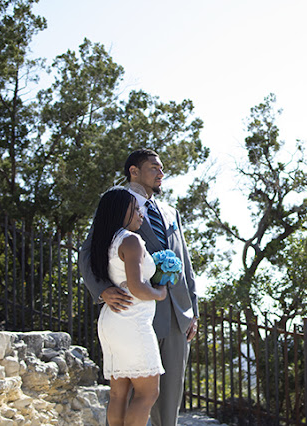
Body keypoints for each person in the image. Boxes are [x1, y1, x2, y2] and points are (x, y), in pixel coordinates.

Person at [79, 149, 199, 426]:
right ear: (134, 171)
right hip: (134, 312)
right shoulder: (117, 205)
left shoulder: (170, 212)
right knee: (134, 391)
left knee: (169, 396)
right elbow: (88, 251)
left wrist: (193, 310)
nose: (161, 173)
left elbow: (185, 264)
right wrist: (102, 289)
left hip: (178, 314)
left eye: (162, 168)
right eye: (154, 167)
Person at [89, 187, 167, 426]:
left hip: (112, 321)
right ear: (122, 211)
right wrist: (160, 293)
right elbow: (137, 288)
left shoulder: (106, 241)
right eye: (135, 209)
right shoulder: (131, 240)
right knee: (147, 393)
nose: (141, 213)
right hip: (133, 321)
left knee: (118, 394)